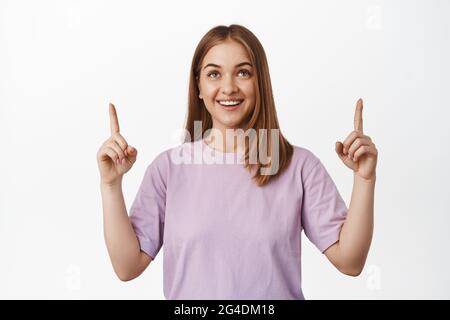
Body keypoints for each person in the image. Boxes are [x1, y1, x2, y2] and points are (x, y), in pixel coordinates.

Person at [96, 24, 378, 300]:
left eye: (243, 72)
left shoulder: (299, 166)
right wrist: (111, 185)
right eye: (214, 74)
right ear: (198, 86)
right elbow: (127, 266)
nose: (228, 87)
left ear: (260, 82)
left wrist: (364, 180)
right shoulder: (168, 170)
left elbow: (350, 262)